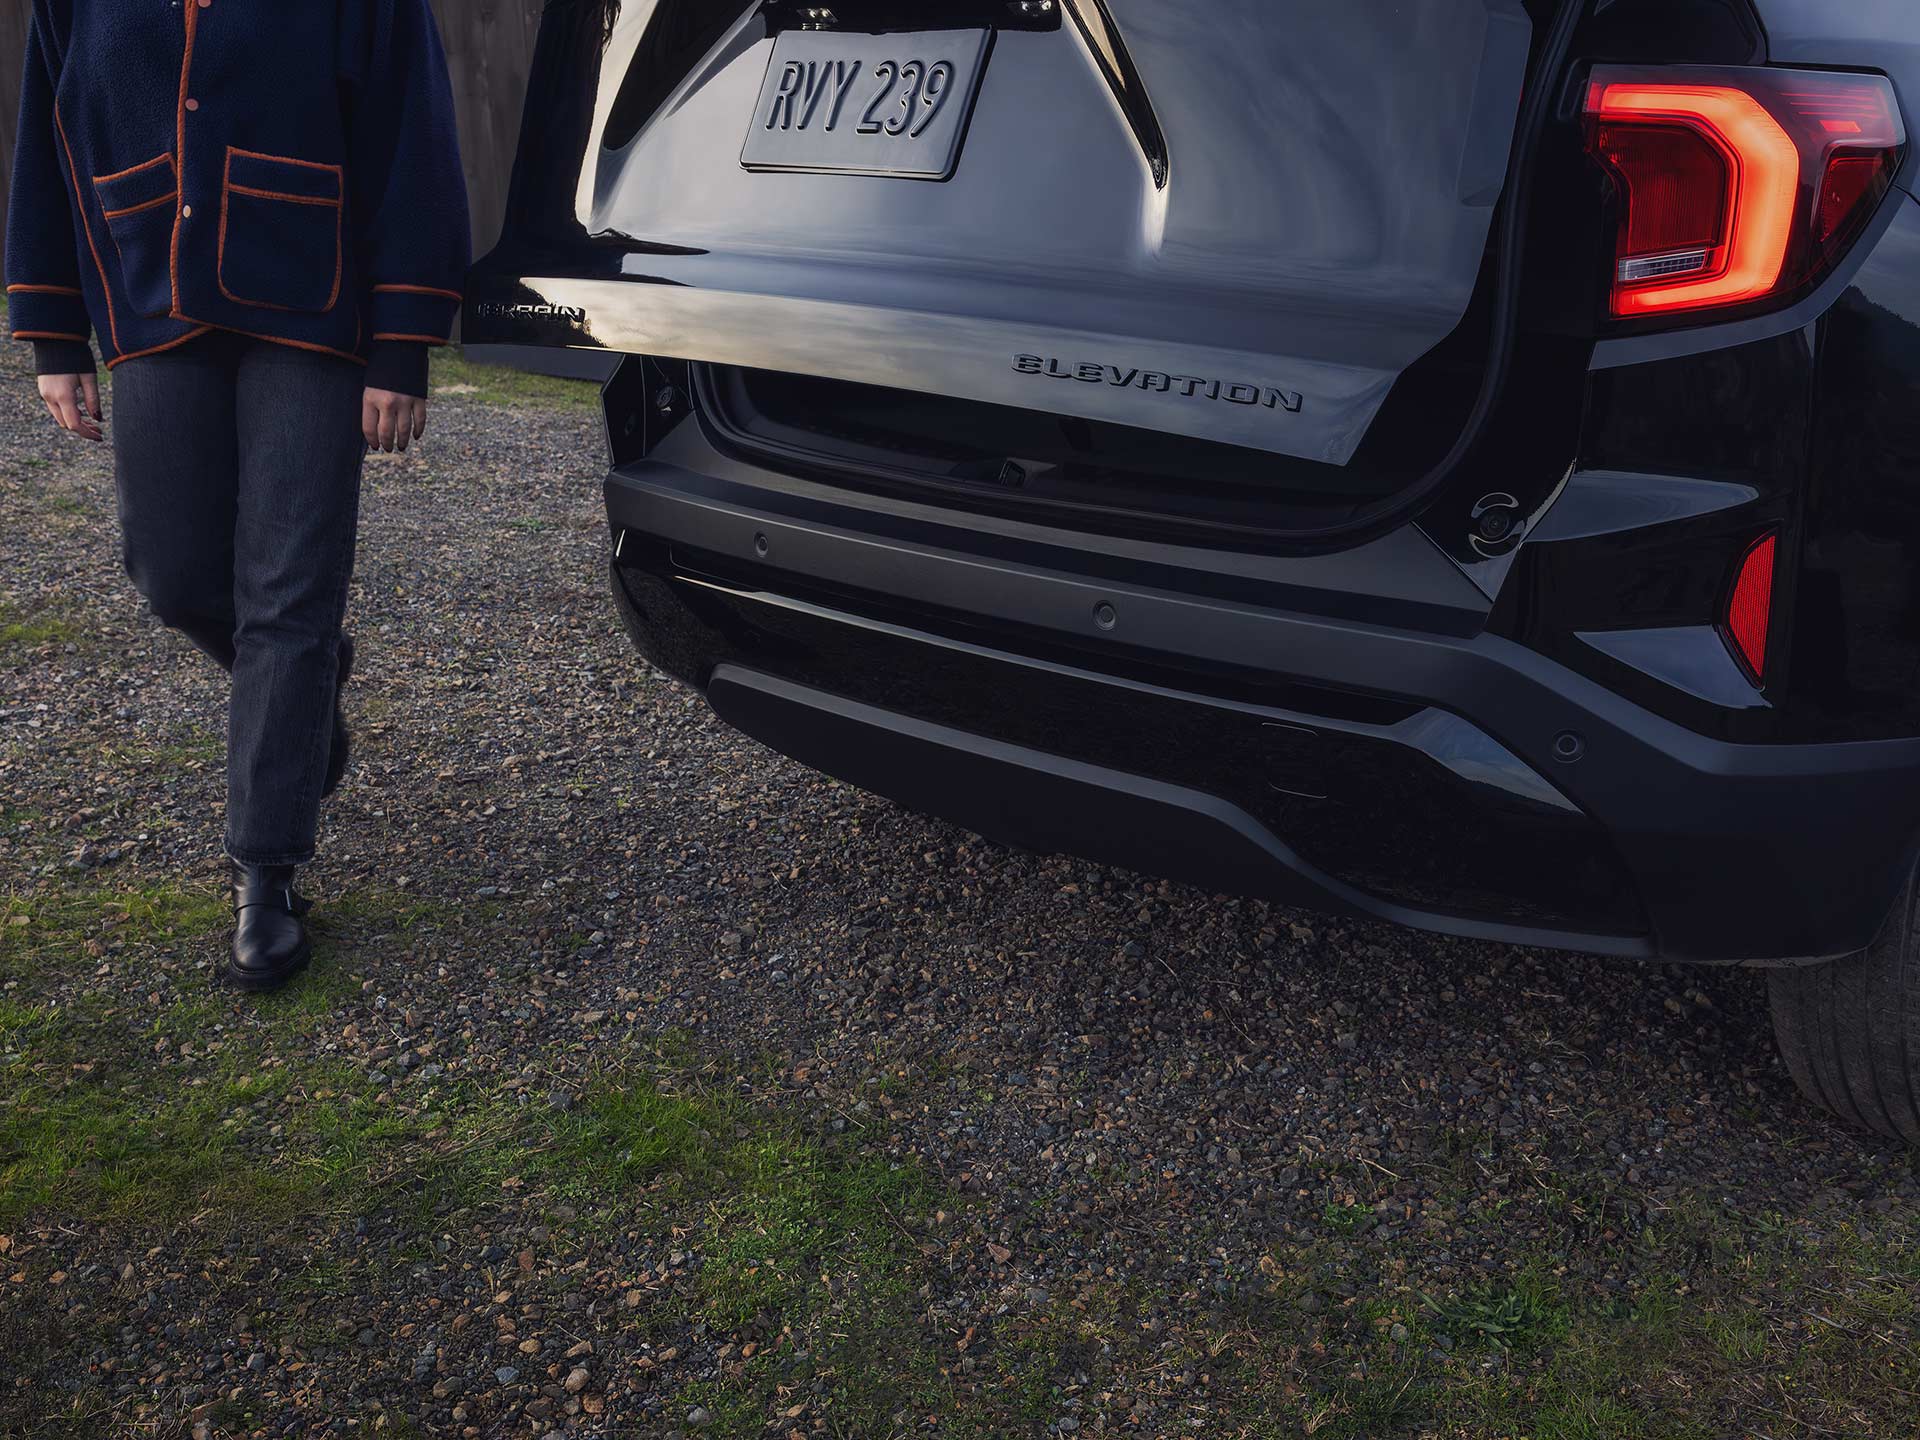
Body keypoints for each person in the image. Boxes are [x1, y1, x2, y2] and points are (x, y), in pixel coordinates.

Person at [7, 0, 471, 991]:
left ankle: (267, 872)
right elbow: (47, 132)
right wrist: (53, 331)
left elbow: (412, 137)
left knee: (288, 592)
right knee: (171, 572)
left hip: (314, 308)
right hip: (153, 297)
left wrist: (402, 344)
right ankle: (304, 705)